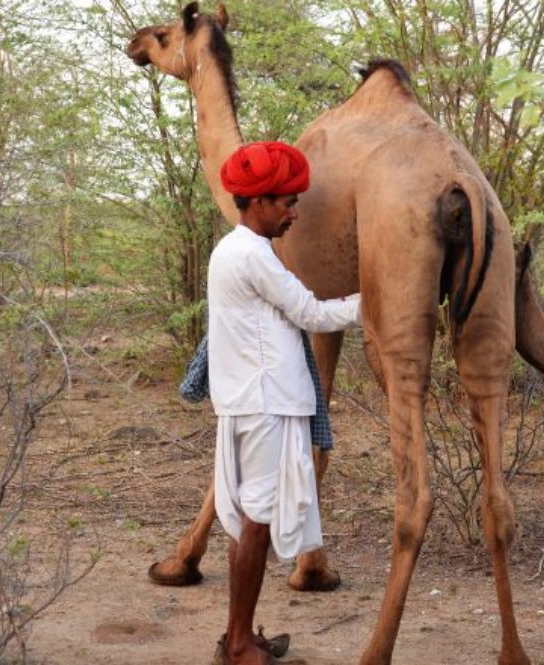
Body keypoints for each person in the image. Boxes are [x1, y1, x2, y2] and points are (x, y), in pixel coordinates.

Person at [207, 141, 361, 665]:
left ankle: (240, 634)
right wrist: (381, 297)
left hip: (256, 400)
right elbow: (312, 314)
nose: (294, 213)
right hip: (265, 403)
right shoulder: (251, 254)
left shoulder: (236, 250)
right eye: (287, 203)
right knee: (255, 525)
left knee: (254, 522)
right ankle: (237, 644)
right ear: (258, 202)